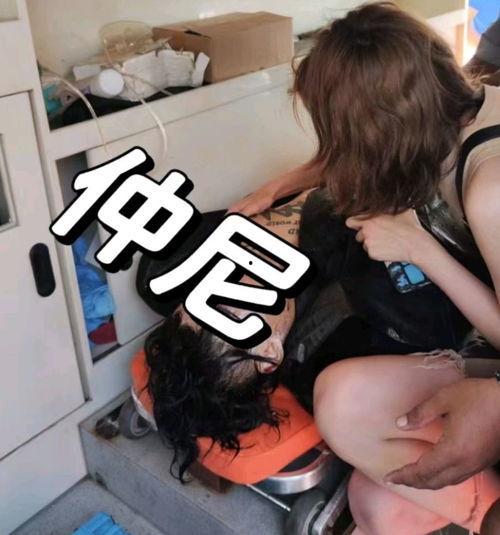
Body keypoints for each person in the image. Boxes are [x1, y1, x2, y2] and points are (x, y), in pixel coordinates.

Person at [229, 3, 500, 533]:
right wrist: (280, 186)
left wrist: (419, 249)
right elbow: (351, 153)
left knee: (343, 403)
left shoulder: (491, 185)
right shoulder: (457, 103)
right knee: (375, 505)